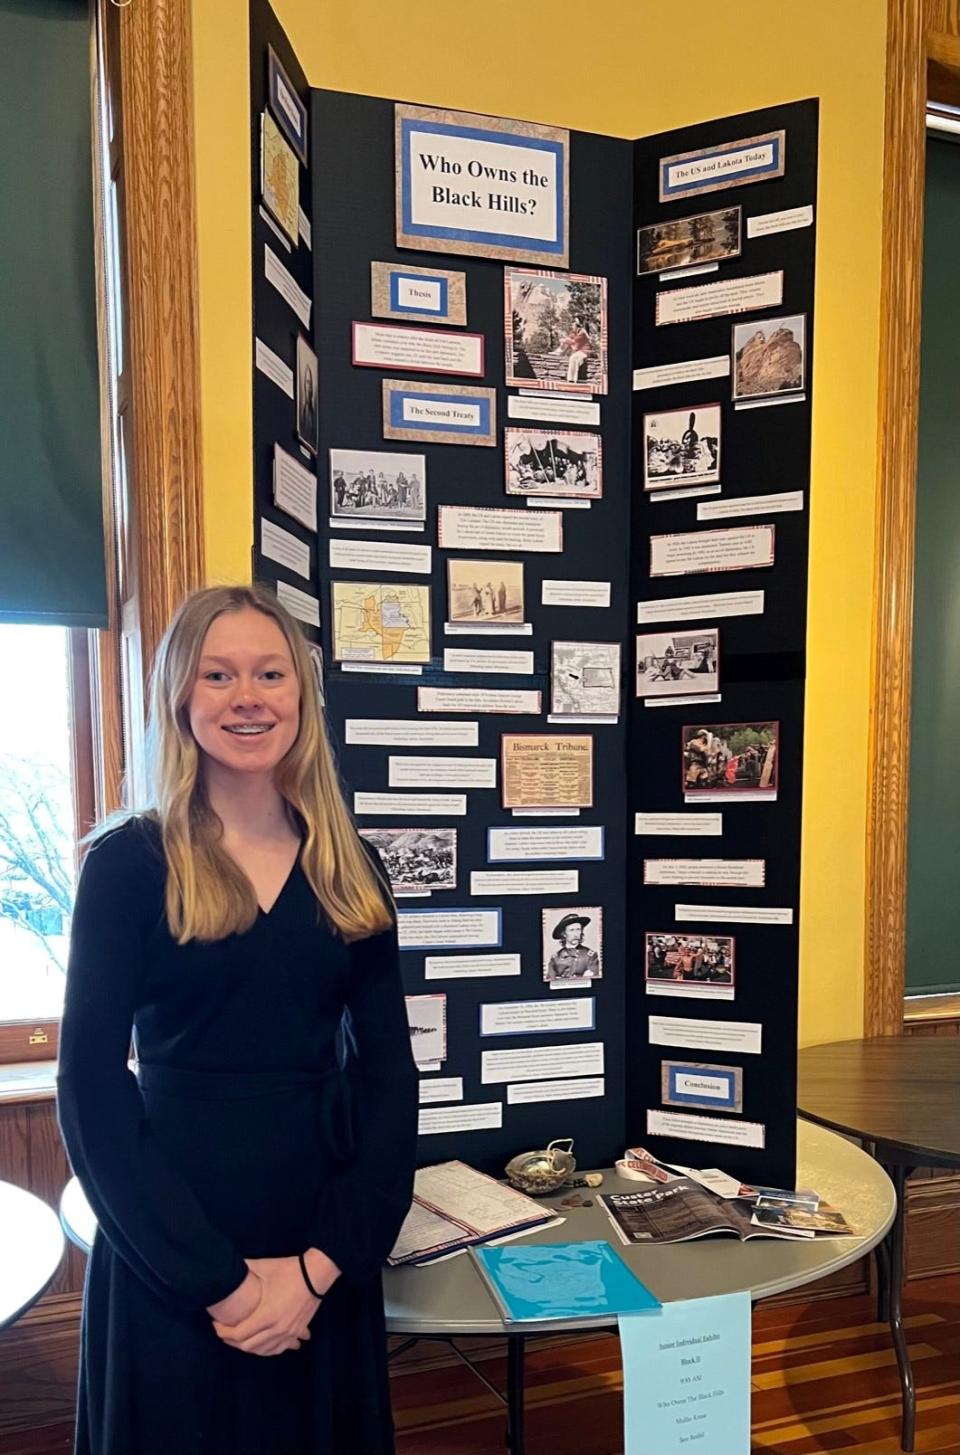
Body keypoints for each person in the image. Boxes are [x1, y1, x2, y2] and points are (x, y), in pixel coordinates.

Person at [56, 585, 418, 1455]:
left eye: (269, 673)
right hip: (169, 1250)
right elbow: (92, 1090)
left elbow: (388, 1078)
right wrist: (221, 1286)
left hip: (318, 1252)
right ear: (181, 696)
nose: (247, 696)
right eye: (218, 675)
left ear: (302, 696)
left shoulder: (350, 865)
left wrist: (322, 1266)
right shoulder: (128, 865)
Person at [546, 913, 600, 983]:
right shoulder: (555, 958)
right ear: (564, 934)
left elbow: (593, 981)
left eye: (578, 929)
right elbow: (550, 982)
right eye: (572, 930)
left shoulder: (590, 955)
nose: (576, 934)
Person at [561, 317, 594, 384]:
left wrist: (566, 341)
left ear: (577, 326)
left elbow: (574, 345)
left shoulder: (582, 333)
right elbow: (569, 338)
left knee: (575, 358)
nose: (572, 326)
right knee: (573, 358)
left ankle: (574, 379)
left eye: (573, 325)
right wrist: (565, 341)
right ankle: (571, 379)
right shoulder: (575, 332)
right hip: (580, 351)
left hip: (585, 351)